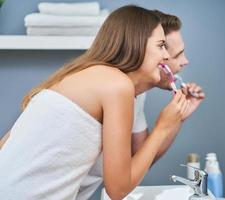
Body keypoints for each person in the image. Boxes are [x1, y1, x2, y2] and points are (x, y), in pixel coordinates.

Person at [0, 5, 191, 200]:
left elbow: (6, 146)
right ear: (137, 43)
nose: (166, 56)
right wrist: (161, 128)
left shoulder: (82, 76)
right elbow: (118, 190)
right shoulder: (118, 85)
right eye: (160, 46)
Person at [131, 10, 205, 164]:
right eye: (178, 55)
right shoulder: (117, 92)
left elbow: (141, 158)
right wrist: (162, 126)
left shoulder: (138, 96)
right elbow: (121, 182)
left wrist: (178, 117)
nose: (186, 61)